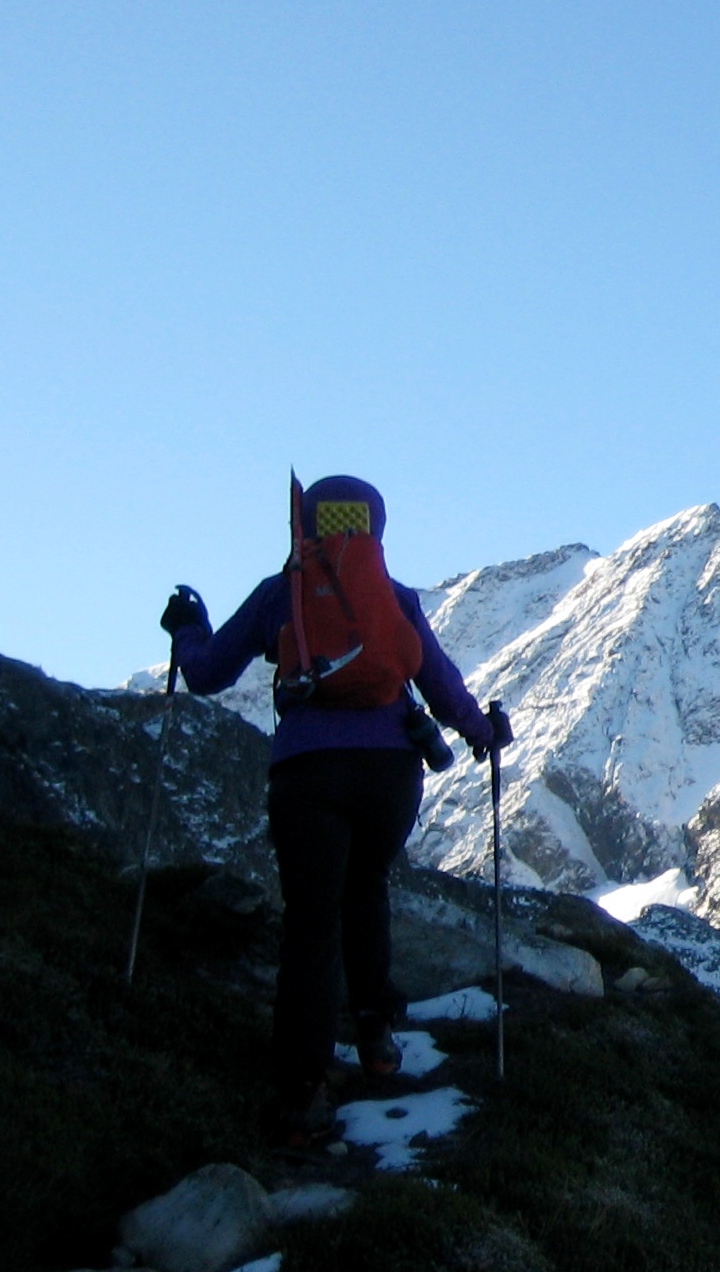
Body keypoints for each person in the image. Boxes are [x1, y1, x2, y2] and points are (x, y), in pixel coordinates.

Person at [160, 475, 510, 1142]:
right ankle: (376, 1039)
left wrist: (186, 629)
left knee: (311, 924)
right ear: (375, 527)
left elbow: (206, 673)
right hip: (389, 774)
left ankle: (303, 1089)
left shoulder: (282, 595)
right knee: (367, 889)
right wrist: (484, 733)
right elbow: (441, 685)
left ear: (307, 524)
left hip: (307, 772)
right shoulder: (395, 600)